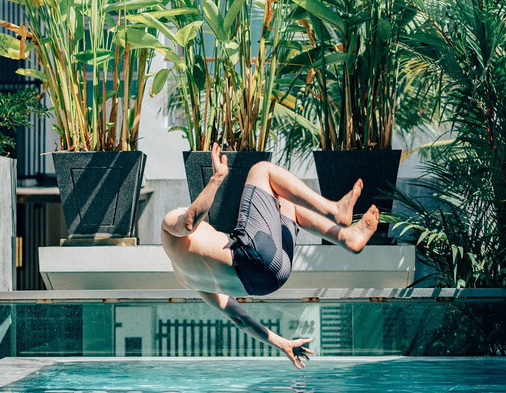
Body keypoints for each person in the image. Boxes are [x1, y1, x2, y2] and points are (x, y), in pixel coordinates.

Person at [161, 143, 380, 369]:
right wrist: (216, 179)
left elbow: (240, 319)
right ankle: (335, 210)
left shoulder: (187, 278)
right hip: (251, 256)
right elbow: (189, 222)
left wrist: (282, 344)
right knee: (261, 169)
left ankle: (346, 237)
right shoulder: (169, 224)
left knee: (286, 199)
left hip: (273, 278)